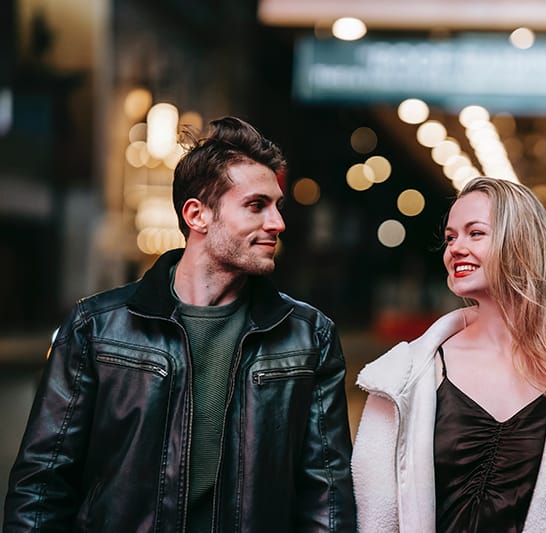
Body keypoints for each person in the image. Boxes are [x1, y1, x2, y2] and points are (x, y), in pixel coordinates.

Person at [3, 116, 356, 532]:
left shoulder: (309, 336)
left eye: (277, 206)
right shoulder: (97, 328)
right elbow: (42, 486)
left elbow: (326, 499)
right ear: (198, 215)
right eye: (256, 205)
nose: (277, 223)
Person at [351, 177, 546, 532]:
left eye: (475, 233)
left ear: (522, 242)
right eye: (451, 237)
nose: (455, 248)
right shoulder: (401, 377)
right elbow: (375, 520)